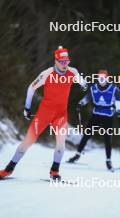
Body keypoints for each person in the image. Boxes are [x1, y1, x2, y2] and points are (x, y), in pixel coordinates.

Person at [0, 46, 87, 180]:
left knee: (61, 143)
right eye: (62, 61)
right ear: (56, 60)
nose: (65, 64)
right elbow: (31, 88)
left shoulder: (72, 72)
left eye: (67, 61)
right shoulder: (47, 73)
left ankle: (54, 171)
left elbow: (83, 81)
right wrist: (27, 108)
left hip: (61, 115)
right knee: (28, 141)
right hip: (44, 114)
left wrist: (83, 84)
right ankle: (8, 169)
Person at [68, 70, 117, 171]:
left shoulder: (113, 88)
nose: (101, 80)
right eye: (100, 78)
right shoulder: (93, 88)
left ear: (107, 78)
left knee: (107, 138)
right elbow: (87, 98)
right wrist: (81, 103)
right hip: (96, 114)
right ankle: (77, 155)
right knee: (86, 135)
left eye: (103, 78)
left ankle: (108, 160)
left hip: (108, 115)